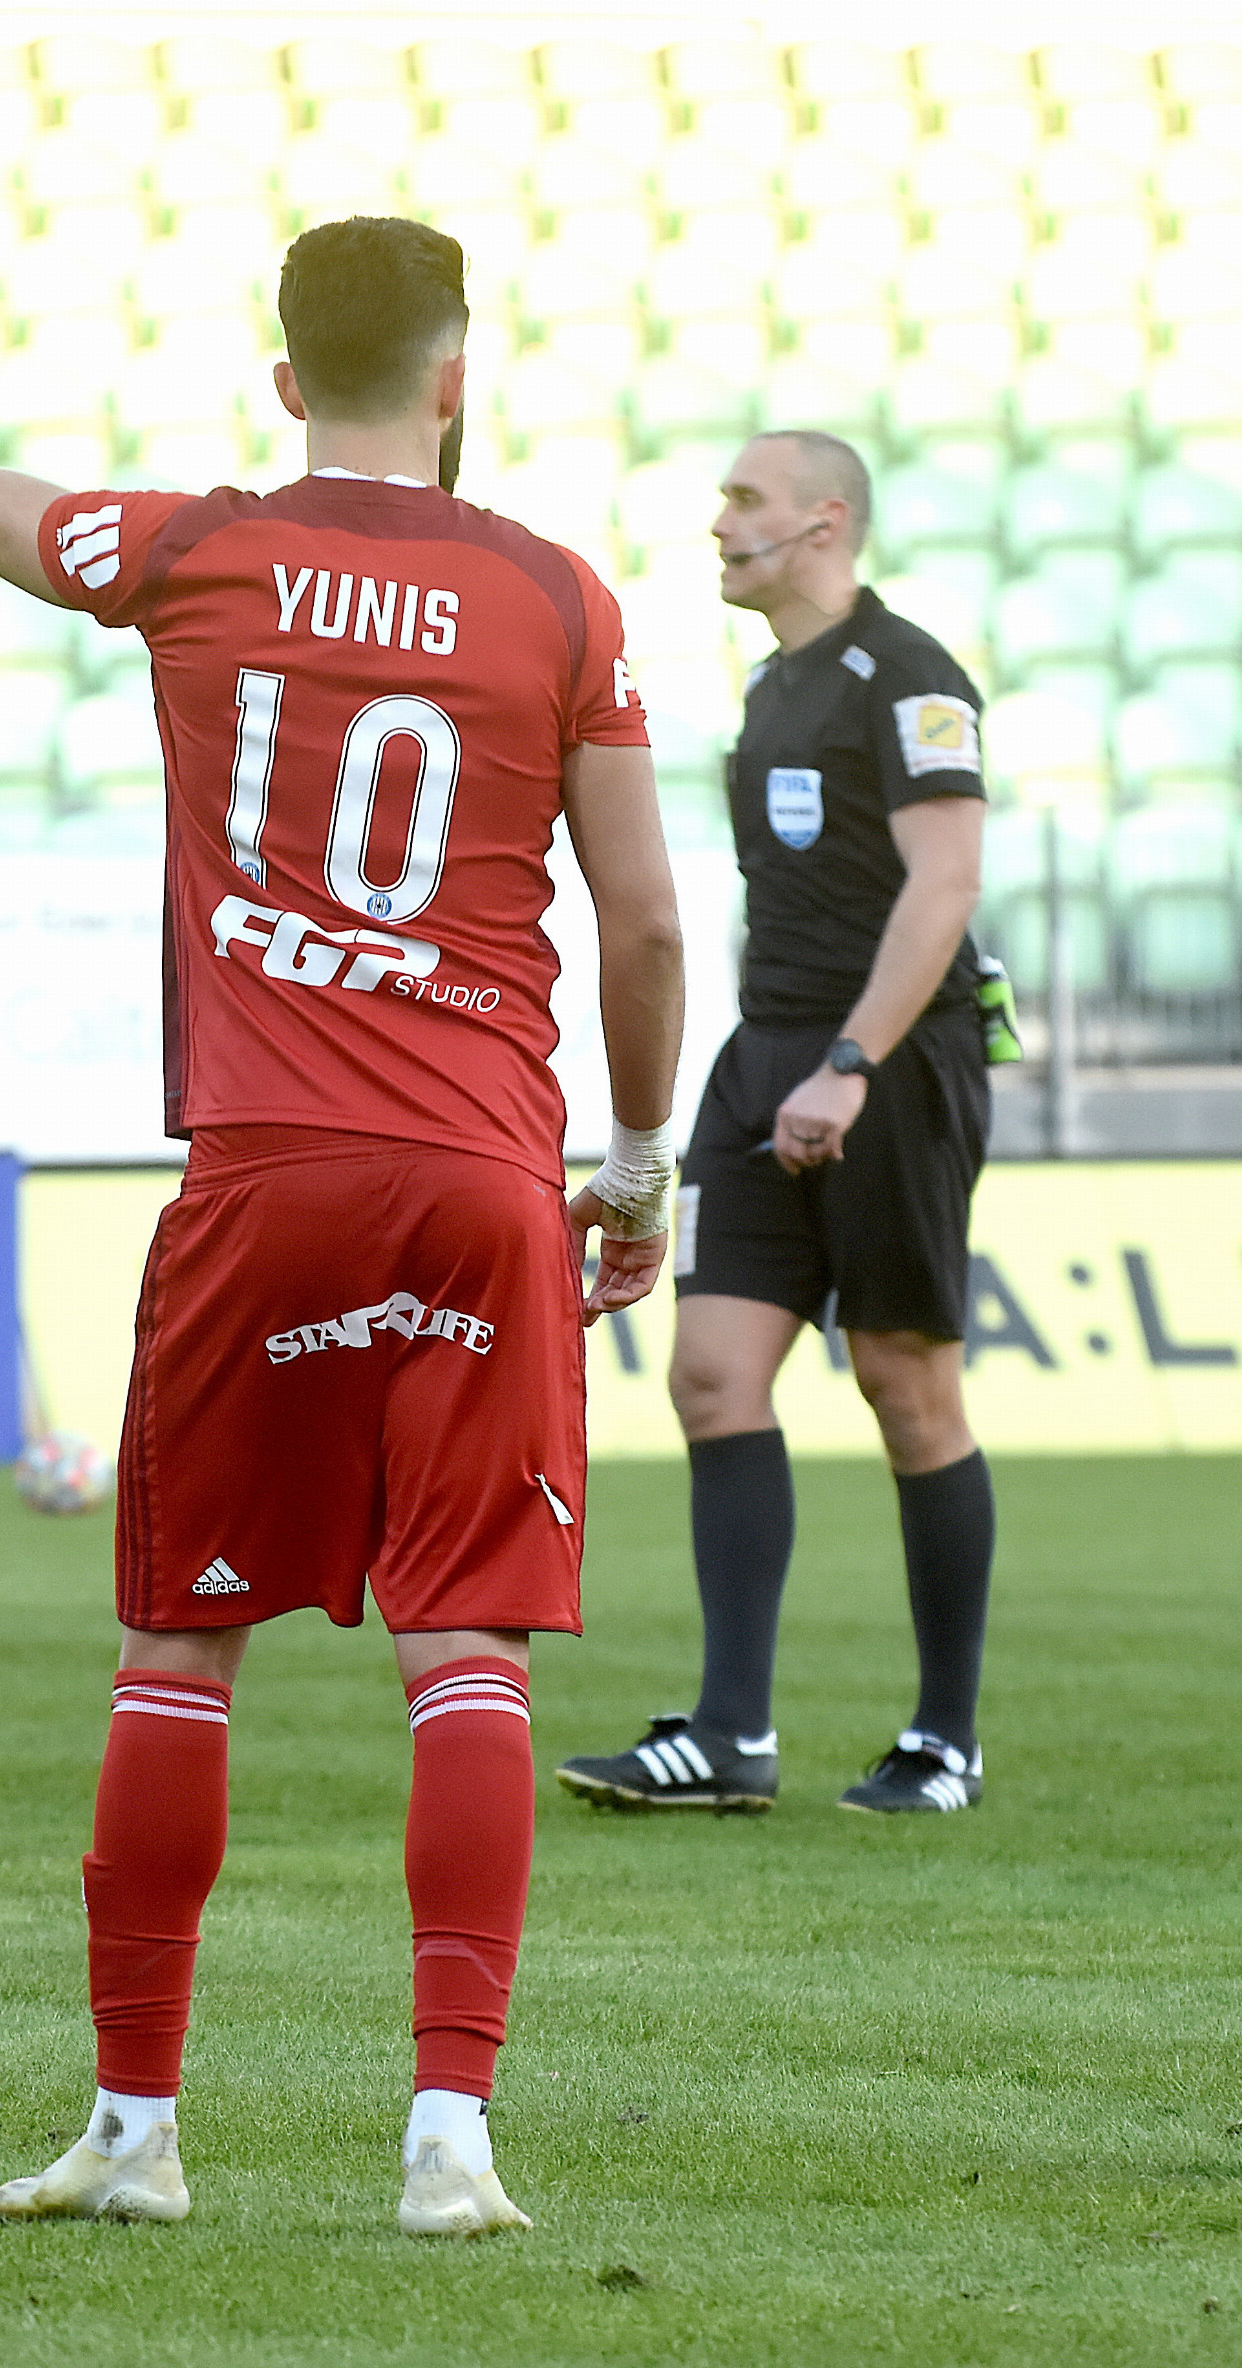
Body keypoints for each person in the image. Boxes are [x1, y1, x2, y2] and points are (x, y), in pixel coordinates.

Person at [0, 190, 685, 2235]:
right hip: (484, 1176)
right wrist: (640, 1161)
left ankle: (135, 2130)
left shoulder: (195, 547)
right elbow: (644, 917)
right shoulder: (562, 601)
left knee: (179, 1645)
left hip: (266, 1169)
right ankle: (451, 2143)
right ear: (458, 375)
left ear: (286, 377)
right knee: (466, 1644)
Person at [557, 430, 995, 1821]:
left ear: (824, 520)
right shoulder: (772, 685)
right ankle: (731, 1733)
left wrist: (854, 1062)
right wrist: (791, 1060)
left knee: (905, 1386)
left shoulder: (909, 673)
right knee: (709, 1377)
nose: (721, 523)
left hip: (888, 1062)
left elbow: (946, 884)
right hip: (766, 1059)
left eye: (745, 499)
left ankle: (943, 1742)